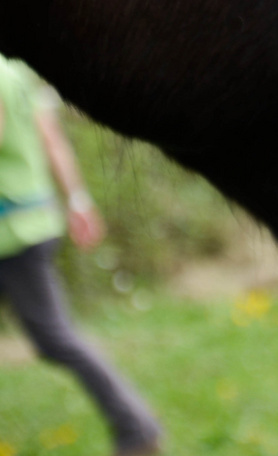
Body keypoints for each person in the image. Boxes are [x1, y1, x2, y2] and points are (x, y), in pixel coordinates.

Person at [0, 58, 162, 455]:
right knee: (54, 336)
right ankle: (136, 427)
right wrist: (77, 200)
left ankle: (136, 428)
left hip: (12, 233)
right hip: (35, 219)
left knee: (55, 337)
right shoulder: (16, 71)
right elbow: (51, 138)